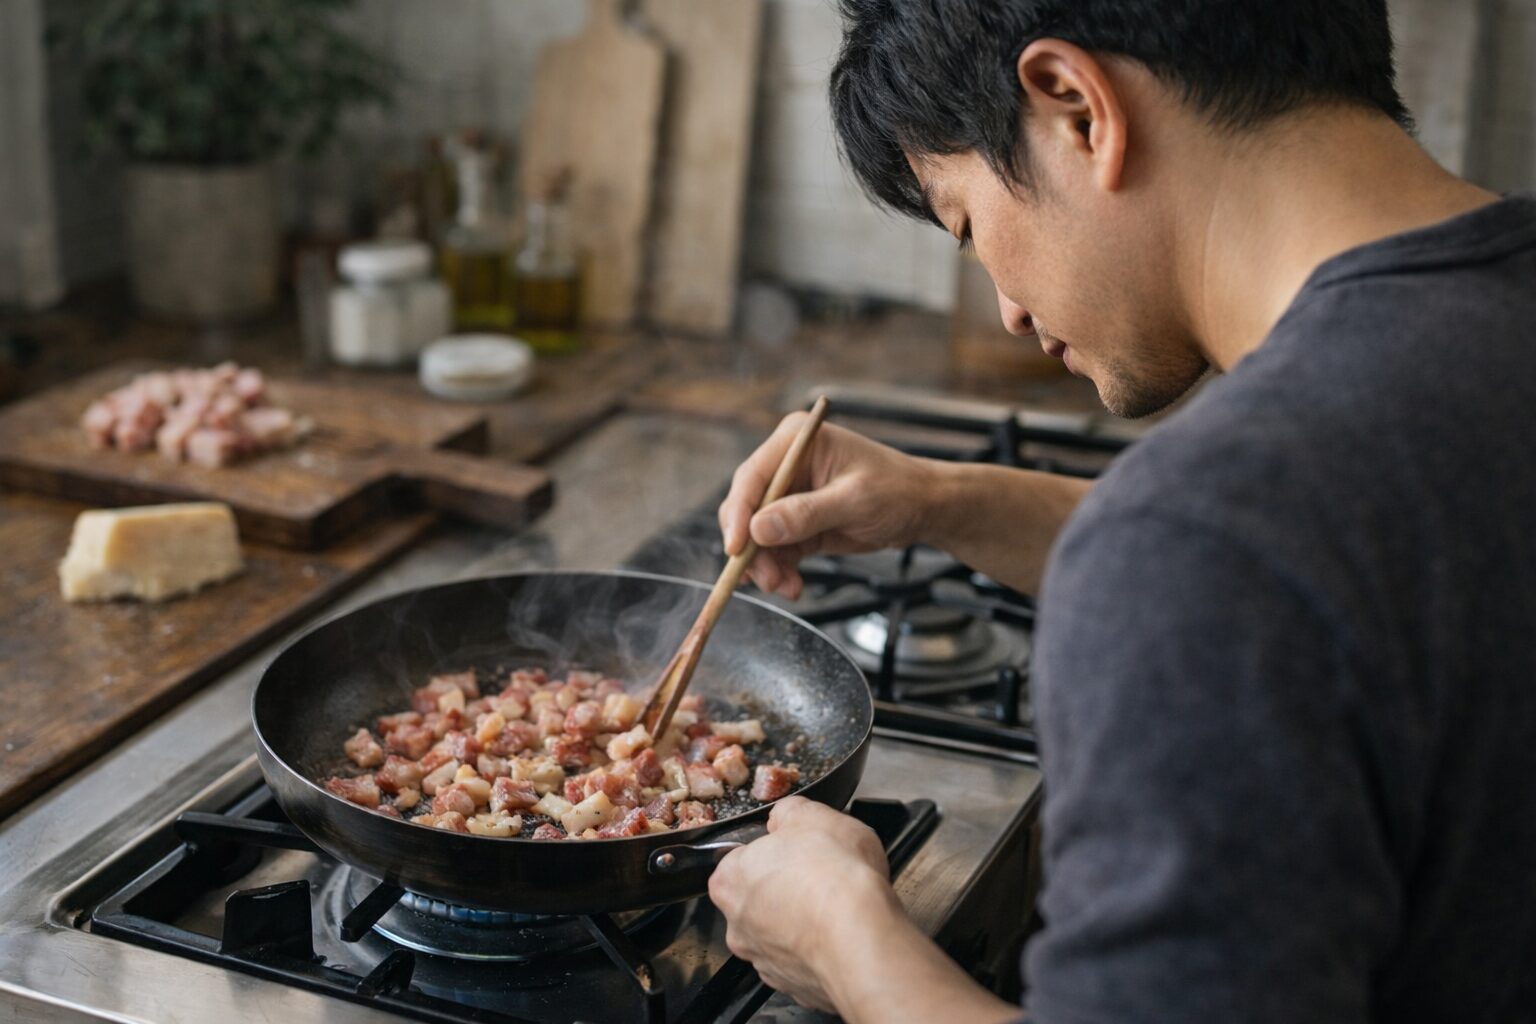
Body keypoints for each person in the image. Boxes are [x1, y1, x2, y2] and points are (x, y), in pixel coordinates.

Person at [706, 1, 1536, 1021]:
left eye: (968, 225)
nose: (1007, 308)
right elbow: (1349, 573)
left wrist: (847, 944)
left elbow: (1228, 564)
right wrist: (942, 498)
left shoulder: (1204, 546)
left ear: (1076, 109)